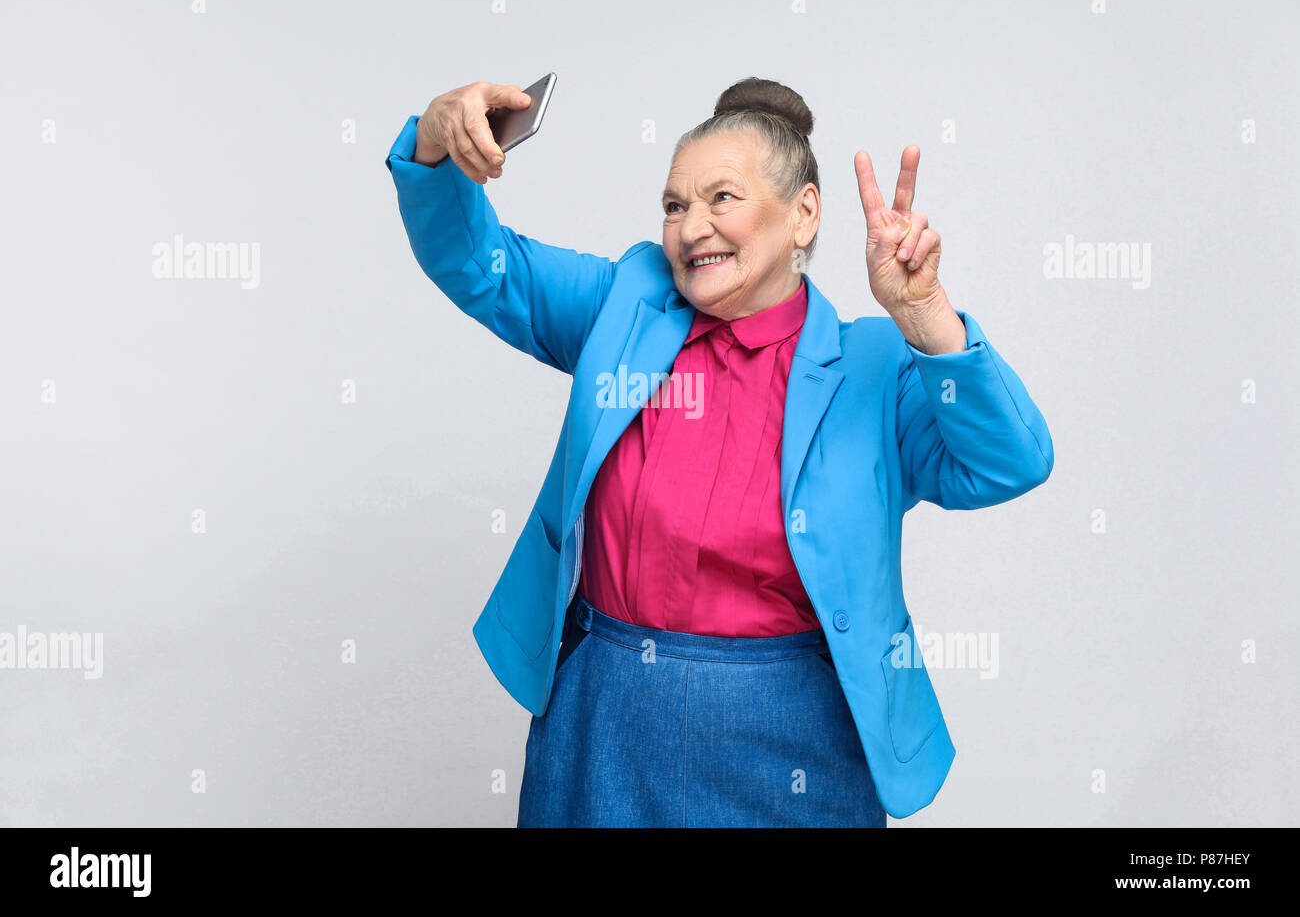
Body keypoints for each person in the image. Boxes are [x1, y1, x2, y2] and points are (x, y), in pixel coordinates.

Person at [385, 76, 1054, 827]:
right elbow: (480, 264)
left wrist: (928, 318)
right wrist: (435, 144)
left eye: (721, 199)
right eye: (675, 205)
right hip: (603, 719)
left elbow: (1010, 461)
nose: (691, 227)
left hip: (793, 741)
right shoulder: (623, 306)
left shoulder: (875, 368)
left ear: (803, 214)